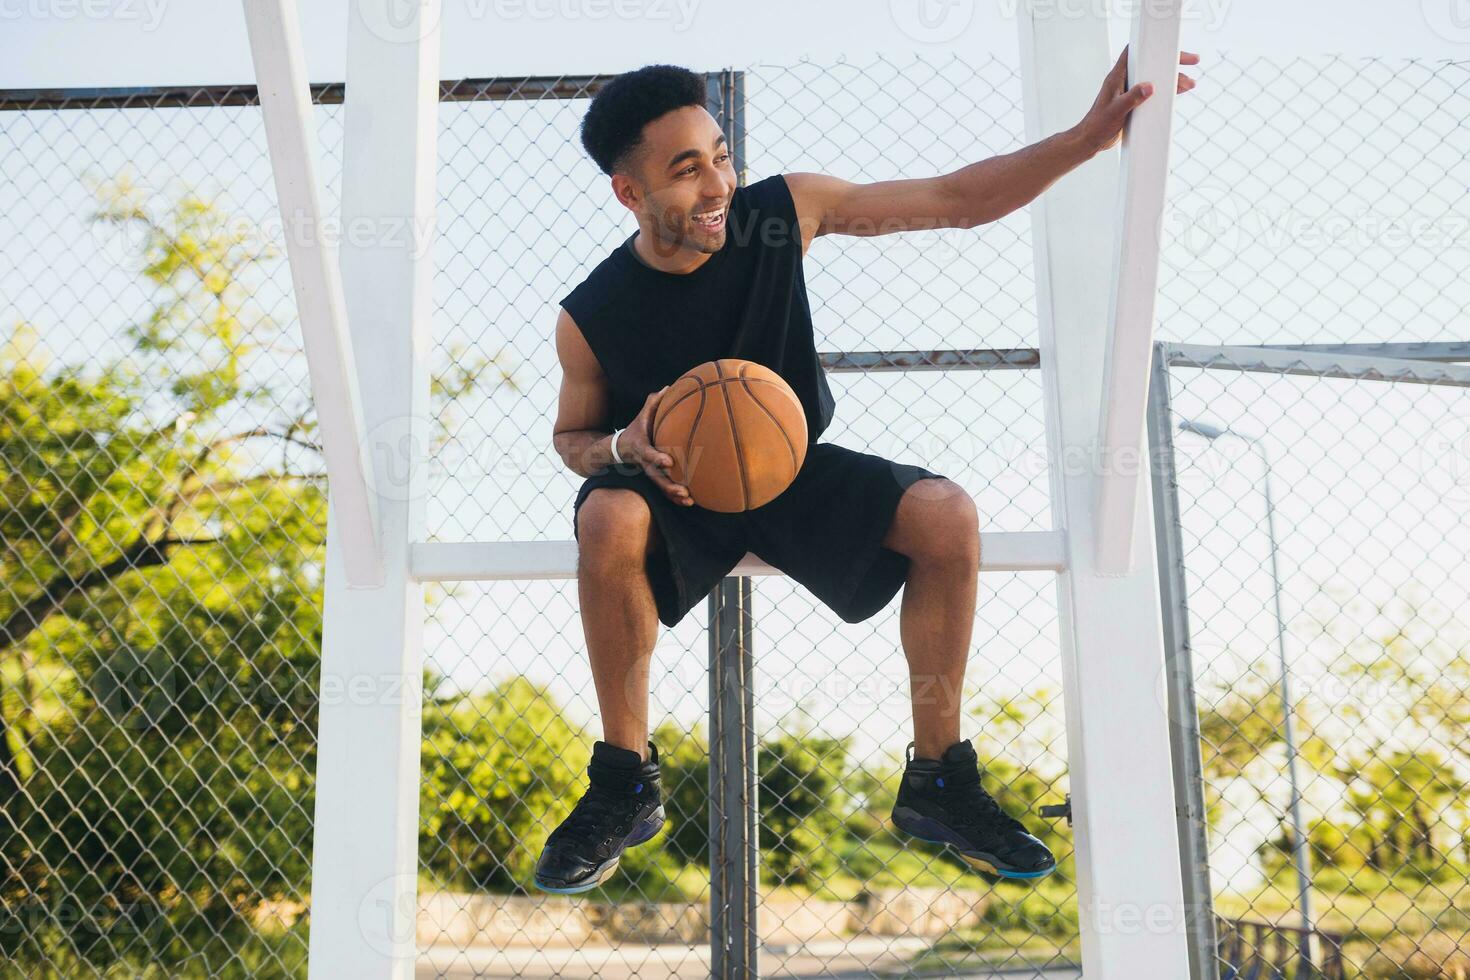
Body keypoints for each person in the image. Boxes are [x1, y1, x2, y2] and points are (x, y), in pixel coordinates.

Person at [534, 50, 1199, 894]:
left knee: (946, 514)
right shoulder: (593, 314)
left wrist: (1088, 137)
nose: (717, 186)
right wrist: (623, 448)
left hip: (795, 470)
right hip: (674, 491)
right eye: (686, 170)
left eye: (721, 156)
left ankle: (940, 780)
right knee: (605, 516)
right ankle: (624, 780)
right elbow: (572, 439)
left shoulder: (781, 214)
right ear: (630, 194)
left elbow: (957, 201)